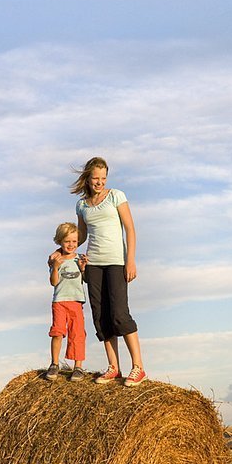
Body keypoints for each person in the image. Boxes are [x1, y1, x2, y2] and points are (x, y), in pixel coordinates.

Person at [71, 156, 147, 387]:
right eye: (96, 178)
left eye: (103, 178)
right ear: (88, 177)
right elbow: (82, 235)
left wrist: (130, 260)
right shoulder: (82, 205)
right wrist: (64, 248)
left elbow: (130, 229)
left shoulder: (116, 196)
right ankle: (114, 367)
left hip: (116, 262)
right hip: (93, 264)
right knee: (100, 317)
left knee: (119, 314)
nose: (100, 182)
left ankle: (138, 367)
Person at [46, 222, 88, 382]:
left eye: (74, 241)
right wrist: (55, 267)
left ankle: (78, 367)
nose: (71, 245)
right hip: (59, 302)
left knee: (77, 333)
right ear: (60, 242)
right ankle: (54, 364)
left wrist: (83, 268)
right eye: (67, 241)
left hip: (76, 301)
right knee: (57, 332)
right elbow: (53, 282)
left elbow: (86, 280)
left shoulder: (80, 258)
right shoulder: (56, 259)